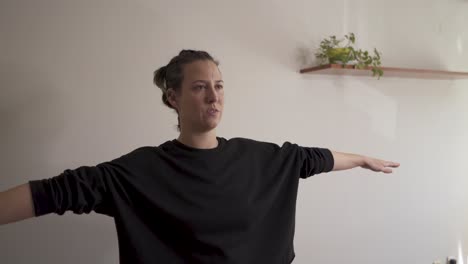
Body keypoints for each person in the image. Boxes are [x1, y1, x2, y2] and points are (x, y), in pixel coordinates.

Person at [0, 49, 400, 263]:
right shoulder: (139, 171)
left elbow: (312, 159)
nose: (214, 96)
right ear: (172, 97)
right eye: (199, 87)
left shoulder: (261, 159)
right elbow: (52, 193)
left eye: (220, 86)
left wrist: (363, 158)